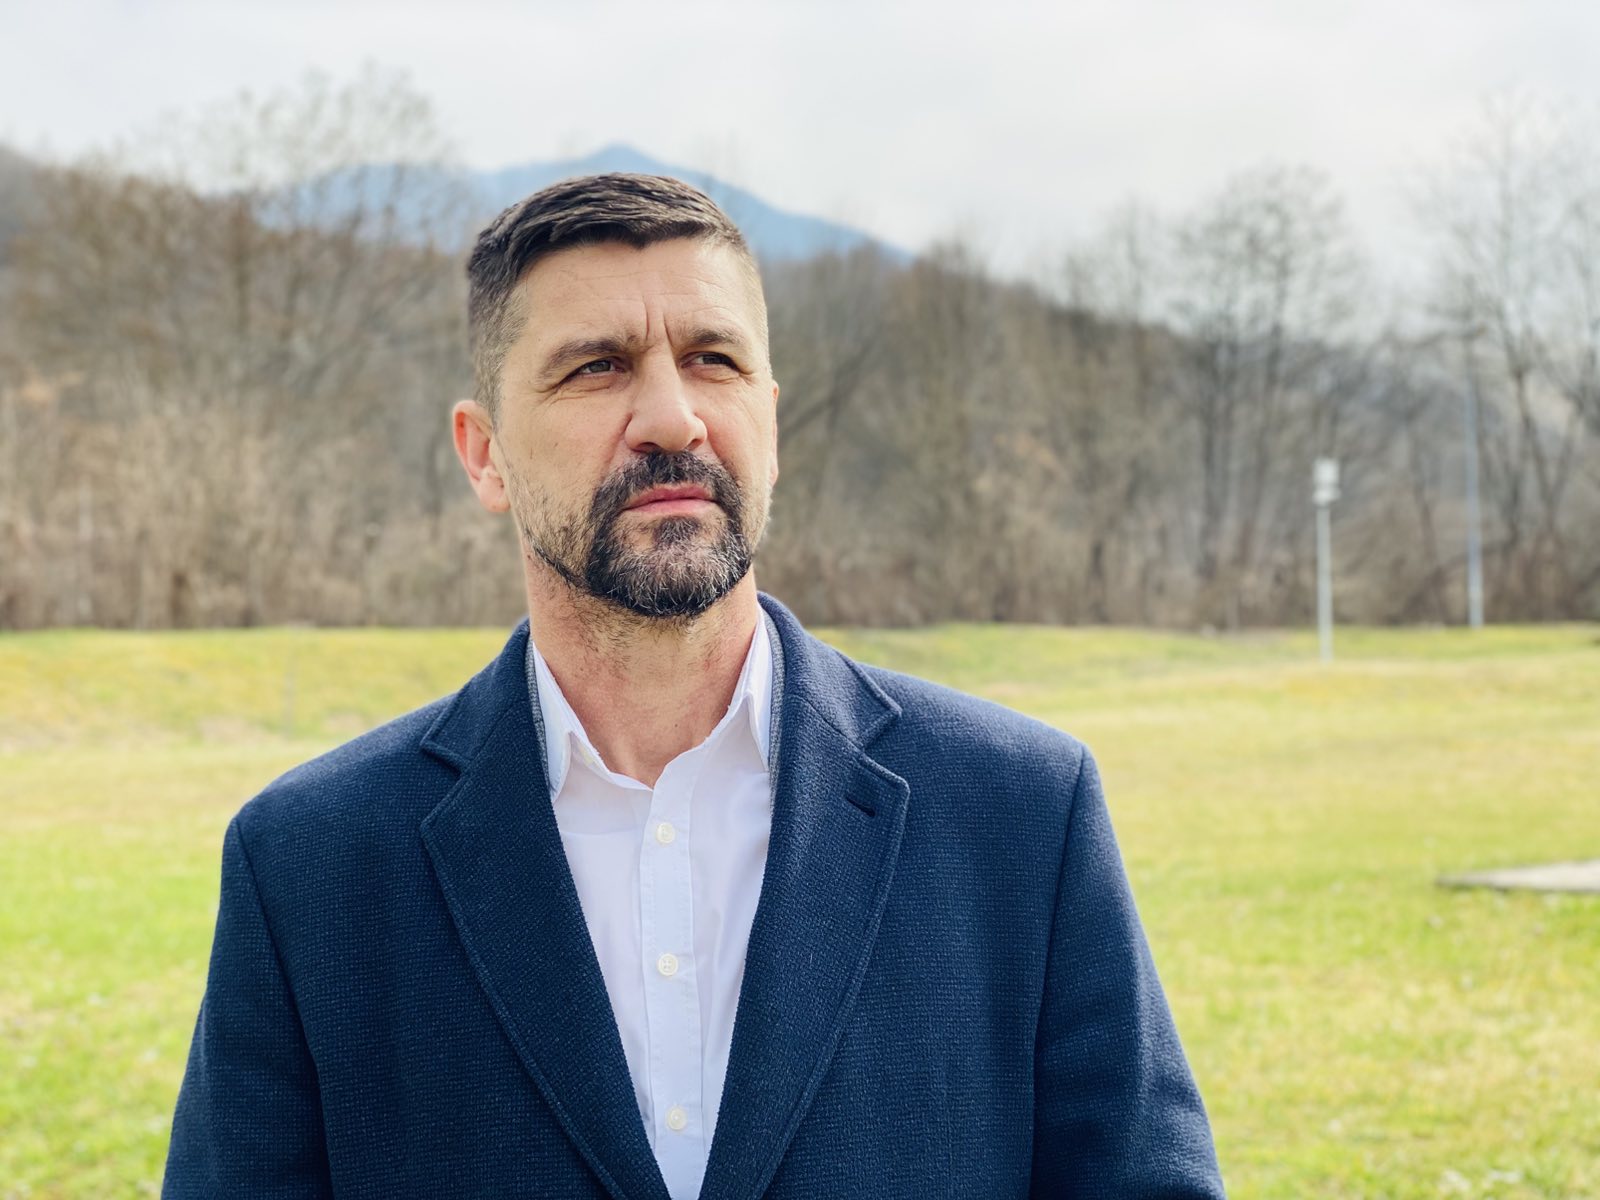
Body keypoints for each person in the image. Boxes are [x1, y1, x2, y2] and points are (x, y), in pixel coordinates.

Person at [163, 173, 1224, 1199]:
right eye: (596, 368)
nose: (672, 418)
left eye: (712, 359)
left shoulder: (1022, 816)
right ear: (484, 456)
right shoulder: (309, 866)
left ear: (769, 418)